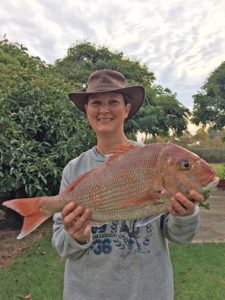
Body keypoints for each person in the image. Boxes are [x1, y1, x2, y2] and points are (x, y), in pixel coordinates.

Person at [52, 69, 204, 300]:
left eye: (113, 101)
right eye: (96, 103)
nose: (104, 110)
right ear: (87, 110)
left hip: (147, 292)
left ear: (126, 109)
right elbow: (62, 245)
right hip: (87, 293)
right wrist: (76, 236)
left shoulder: (156, 159)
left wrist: (185, 216)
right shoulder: (74, 169)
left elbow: (179, 237)